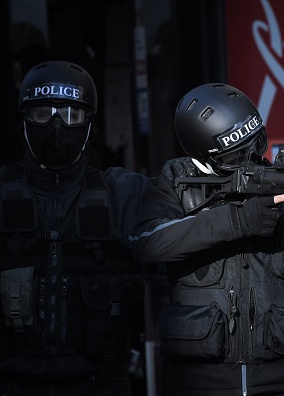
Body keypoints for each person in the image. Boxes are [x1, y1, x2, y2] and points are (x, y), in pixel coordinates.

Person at [127, 82, 284, 396]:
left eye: (257, 144)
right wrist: (233, 221)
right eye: (237, 153)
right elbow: (146, 243)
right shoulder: (175, 183)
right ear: (203, 156)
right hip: (200, 382)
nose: (252, 157)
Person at [0, 60, 148, 395]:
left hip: (99, 385)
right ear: (23, 121)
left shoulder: (121, 193)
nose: (56, 128)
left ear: (90, 124)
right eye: (42, 115)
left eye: (70, 115)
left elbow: (193, 202)